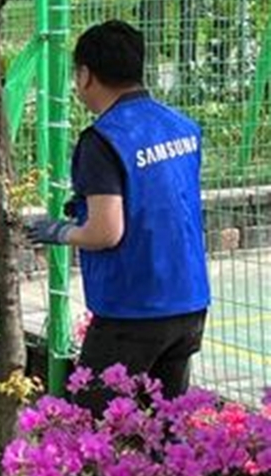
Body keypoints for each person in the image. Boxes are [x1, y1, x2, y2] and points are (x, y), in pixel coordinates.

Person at [26, 20, 210, 415]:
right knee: (165, 428)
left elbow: (106, 232)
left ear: (86, 75)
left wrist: (59, 231)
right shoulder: (182, 128)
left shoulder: (103, 140)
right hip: (189, 301)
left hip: (133, 309)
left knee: (88, 427)